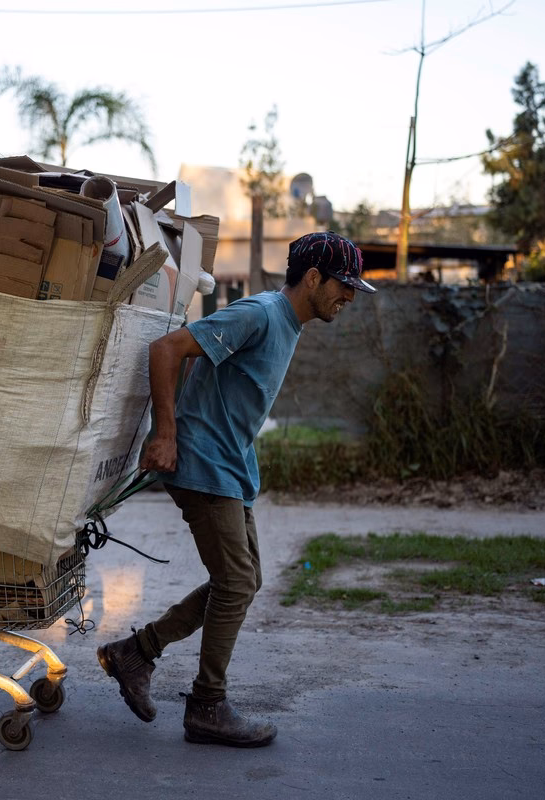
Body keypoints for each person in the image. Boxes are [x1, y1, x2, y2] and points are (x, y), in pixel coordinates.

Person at [96, 231, 375, 748]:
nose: (350, 296)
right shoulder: (261, 314)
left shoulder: (287, 323)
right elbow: (167, 349)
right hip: (203, 463)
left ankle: (136, 653)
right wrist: (166, 433)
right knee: (236, 582)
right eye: (345, 285)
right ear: (313, 278)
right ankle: (207, 705)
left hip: (231, 467)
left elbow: (209, 371)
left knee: (244, 581)